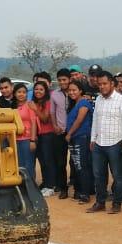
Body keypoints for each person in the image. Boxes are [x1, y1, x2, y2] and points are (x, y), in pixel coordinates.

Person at [87, 71, 122, 214]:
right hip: (99, 144)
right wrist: (92, 139)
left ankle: (116, 204)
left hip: (116, 143)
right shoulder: (99, 100)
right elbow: (95, 120)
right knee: (98, 175)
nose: (102, 87)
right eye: (99, 84)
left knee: (118, 176)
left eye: (104, 84)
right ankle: (100, 202)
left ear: (112, 83)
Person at [63, 80, 93, 203]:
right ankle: (80, 191)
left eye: (74, 90)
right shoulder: (74, 104)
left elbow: (79, 120)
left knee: (82, 165)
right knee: (77, 165)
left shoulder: (84, 103)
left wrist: (69, 134)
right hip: (75, 139)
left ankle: (85, 194)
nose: (71, 92)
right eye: (69, 90)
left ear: (80, 91)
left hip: (82, 137)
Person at [52, 69, 73, 199]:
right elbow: (52, 113)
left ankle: (79, 188)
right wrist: (54, 125)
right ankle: (63, 189)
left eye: (64, 79)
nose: (62, 82)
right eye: (60, 80)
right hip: (60, 132)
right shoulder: (54, 94)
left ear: (69, 79)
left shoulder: (75, 92)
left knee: (76, 162)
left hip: (75, 132)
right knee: (61, 162)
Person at [12, 82, 38, 182]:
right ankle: (22, 186)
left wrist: (32, 140)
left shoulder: (29, 105)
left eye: (24, 92)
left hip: (27, 139)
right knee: (19, 164)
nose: (21, 94)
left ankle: (31, 186)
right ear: (15, 93)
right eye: (19, 92)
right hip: (15, 139)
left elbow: (33, 122)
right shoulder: (12, 106)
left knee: (29, 164)